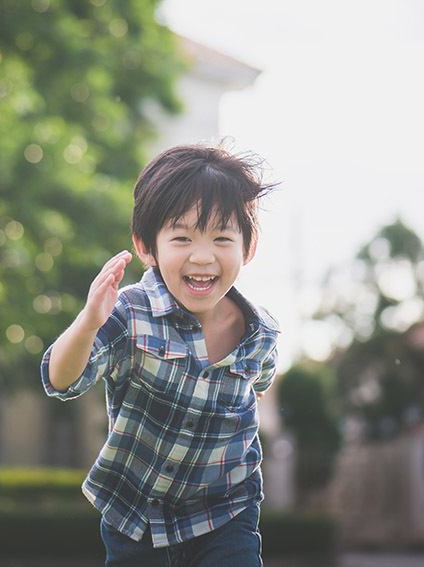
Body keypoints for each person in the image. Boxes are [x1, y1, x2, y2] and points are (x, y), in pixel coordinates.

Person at [41, 144, 279, 566]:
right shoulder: (129, 313)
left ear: (249, 246)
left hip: (226, 512)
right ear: (147, 247)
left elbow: (259, 384)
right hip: (137, 517)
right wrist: (88, 322)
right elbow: (61, 380)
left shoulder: (259, 333)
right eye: (182, 238)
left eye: (222, 238)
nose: (202, 256)